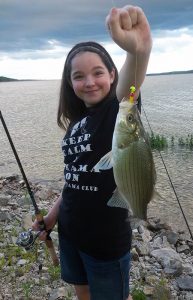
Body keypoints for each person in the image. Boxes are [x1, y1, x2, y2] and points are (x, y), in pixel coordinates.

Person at [33, 5, 152, 300]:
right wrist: (51, 217)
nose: (89, 82)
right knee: (82, 293)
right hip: (71, 233)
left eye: (98, 72)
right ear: (70, 83)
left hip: (105, 242)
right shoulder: (77, 124)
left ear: (112, 75)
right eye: (79, 76)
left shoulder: (116, 111)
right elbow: (75, 178)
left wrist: (139, 51)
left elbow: (132, 88)